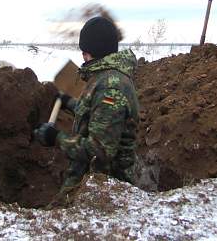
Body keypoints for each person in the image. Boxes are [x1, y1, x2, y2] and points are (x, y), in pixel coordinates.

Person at [34, 16, 140, 199]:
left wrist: (56, 138)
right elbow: (98, 114)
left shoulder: (111, 87)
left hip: (103, 188)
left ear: (92, 50)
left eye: (85, 50)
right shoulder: (105, 76)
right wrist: (69, 102)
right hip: (90, 177)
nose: (83, 55)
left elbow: (100, 149)